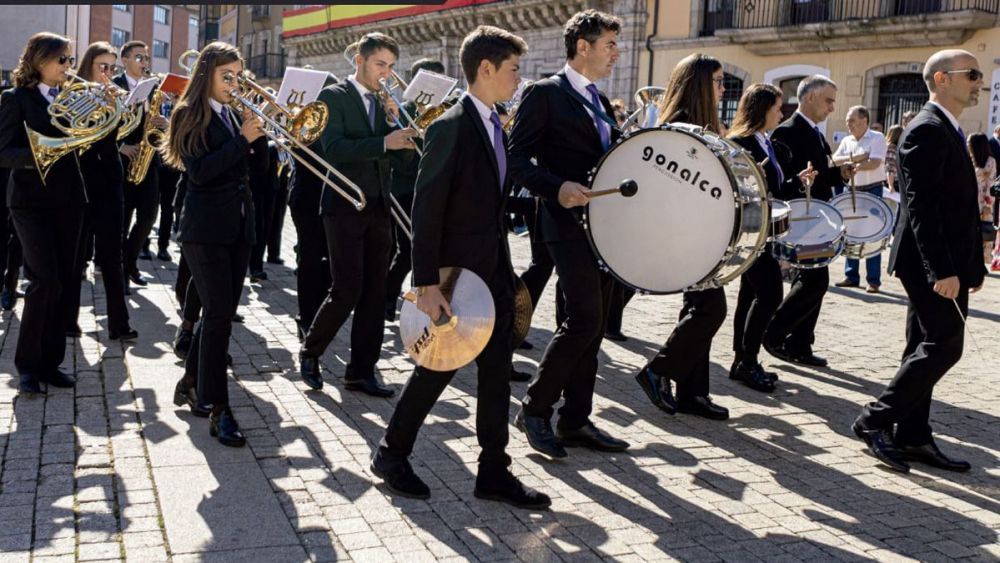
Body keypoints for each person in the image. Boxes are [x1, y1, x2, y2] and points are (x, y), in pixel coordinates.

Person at [373, 26, 549, 509]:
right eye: (513, 69)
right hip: (454, 277)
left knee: (495, 371)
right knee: (437, 366)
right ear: (486, 69)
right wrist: (426, 284)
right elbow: (426, 209)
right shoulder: (451, 125)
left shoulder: (496, 122)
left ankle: (494, 470)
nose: (519, 78)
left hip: (490, 271)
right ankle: (391, 453)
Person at [853, 49, 986, 473]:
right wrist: (942, 271)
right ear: (943, 79)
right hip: (929, 264)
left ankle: (912, 436)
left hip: (944, 262)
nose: (979, 81)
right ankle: (874, 420)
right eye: (972, 73)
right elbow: (923, 209)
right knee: (944, 345)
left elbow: (957, 209)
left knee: (921, 346)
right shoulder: (925, 130)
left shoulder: (947, 128)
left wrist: (970, 268)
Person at [508, 9, 630, 459]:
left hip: (602, 226)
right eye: (610, 45)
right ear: (583, 45)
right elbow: (515, 159)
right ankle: (536, 408)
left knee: (593, 326)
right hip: (562, 224)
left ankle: (576, 419)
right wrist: (557, 188)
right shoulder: (544, 93)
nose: (617, 53)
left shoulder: (597, 98)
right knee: (582, 321)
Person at [298, 33, 417, 394]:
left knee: (375, 291)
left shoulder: (385, 103)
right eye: (381, 64)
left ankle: (361, 371)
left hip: (379, 205)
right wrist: (384, 141)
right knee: (346, 288)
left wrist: (398, 127)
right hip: (343, 206)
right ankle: (311, 350)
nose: (386, 73)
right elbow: (333, 149)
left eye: (391, 66)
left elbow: (404, 161)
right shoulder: (334, 97)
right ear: (360, 61)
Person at [164, 41, 268, 446]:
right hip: (204, 230)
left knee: (218, 314)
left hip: (238, 227)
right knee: (220, 316)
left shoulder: (231, 114)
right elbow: (201, 172)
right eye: (228, 76)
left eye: (238, 77)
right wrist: (242, 138)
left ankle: (191, 381)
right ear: (206, 74)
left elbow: (256, 172)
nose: (234, 83)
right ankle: (218, 408)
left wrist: (258, 134)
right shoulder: (189, 113)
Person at [633, 54, 732, 420]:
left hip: (702, 232)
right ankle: (658, 370)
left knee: (698, 308)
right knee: (710, 309)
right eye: (718, 81)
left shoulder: (701, 127)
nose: (723, 89)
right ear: (699, 85)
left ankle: (693, 393)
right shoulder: (680, 128)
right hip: (687, 235)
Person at [0, 32, 86, 394]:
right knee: (43, 281)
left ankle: (51, 363)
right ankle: (27, 366)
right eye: (62, 60)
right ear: (39, 61)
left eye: (70, 59)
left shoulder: (73, 97)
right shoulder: (15, 99)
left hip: (69, 200)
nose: (69, 66)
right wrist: (42, 154)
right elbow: (4, 152)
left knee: (65, 282)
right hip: (30, 202)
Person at [726, 83, 815, 393]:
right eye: (778, 107)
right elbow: (736, 191)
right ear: (762, 109)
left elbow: (775, 189)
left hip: (764, 230)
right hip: (748, 232)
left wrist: (796, 181)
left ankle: (743, 360)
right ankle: (746, 361)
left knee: (749, 297)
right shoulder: (740, 143)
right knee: (770, 295)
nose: (782, 112)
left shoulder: (765, 141)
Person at [763, 75, 847, 368]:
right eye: (828, 100)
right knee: (814, 280)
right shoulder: (787, 131)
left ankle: (799, 344)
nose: (831, 108)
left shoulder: (814, 132)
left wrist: (842, 174)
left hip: (818, 217)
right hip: (801, 219)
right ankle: (773, 332)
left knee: (811, 279)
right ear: (809, 97)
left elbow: (820, 173)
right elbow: (781, 179)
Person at [64, 41, 136, 342]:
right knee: (76, 254)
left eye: (112, 68)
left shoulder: (113, 97)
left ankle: (119, 324)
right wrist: (98, 106)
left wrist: (118, 108)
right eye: (102, 67)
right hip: (80, 181)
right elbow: (72, 136)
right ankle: (68, 320)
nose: (108, 73)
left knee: (112, 255)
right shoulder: (72, 94)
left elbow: (120, 133)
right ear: (88, 65)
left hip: (110, 180)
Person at [384, 57, 445, 322]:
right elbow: (401, 162)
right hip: (405, 188)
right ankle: (386, 297)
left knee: (432, 249)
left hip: (433, 189)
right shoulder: (402, 110)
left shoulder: (443, 112)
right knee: (408, 249)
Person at [114, 40, 167, 290]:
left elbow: (153, 122)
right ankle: (121, 272)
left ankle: (130, 261)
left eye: (146, 58)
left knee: (148, 218)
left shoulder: (154, 88)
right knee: (122, 221)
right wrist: (120, 147)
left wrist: (161, 122)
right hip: (124, 161)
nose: (144, 62)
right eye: (139, 57)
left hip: (149, 160)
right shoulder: (114, 86)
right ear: (124, 60)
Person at [833, 105, 888, 293]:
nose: (848, 124)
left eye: (852, 120)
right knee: (851, 232)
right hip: (852, 189)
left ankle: (873, 280)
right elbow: (834, 160)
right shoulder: (847, 140)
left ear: (864, 121)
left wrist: (852, 163)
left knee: (874, 234)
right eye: (848, 120)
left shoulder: (878, 137)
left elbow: (875, 162)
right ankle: (851, 275)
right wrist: (860, 157)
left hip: (873, 189)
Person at [967, 133, 996, 264]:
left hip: (983, 202)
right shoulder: (969, 159)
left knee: (984, 233)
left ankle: (981, 263)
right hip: (969, 200)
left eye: (969, 142)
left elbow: (991, 184)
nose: (967, 145)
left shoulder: (990, 161)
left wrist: (988, 205)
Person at [884, 125, 903, 193]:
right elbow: (890, 167)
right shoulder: (892, 148)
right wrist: (890, 185)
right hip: (892, 182)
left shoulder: (886, 146)